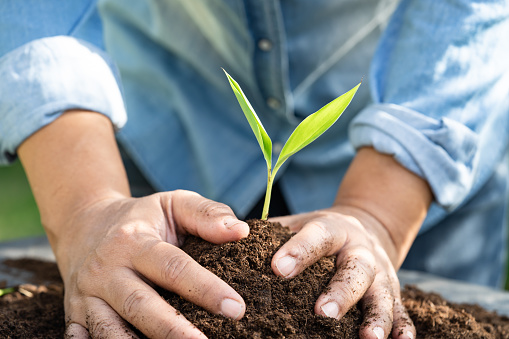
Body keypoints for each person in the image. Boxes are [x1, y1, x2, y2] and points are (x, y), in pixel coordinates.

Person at [1, 0, 508, 338]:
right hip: (169, 118)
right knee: (118, 291)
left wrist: (377, 215)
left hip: (412, 143)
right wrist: (87, 209)